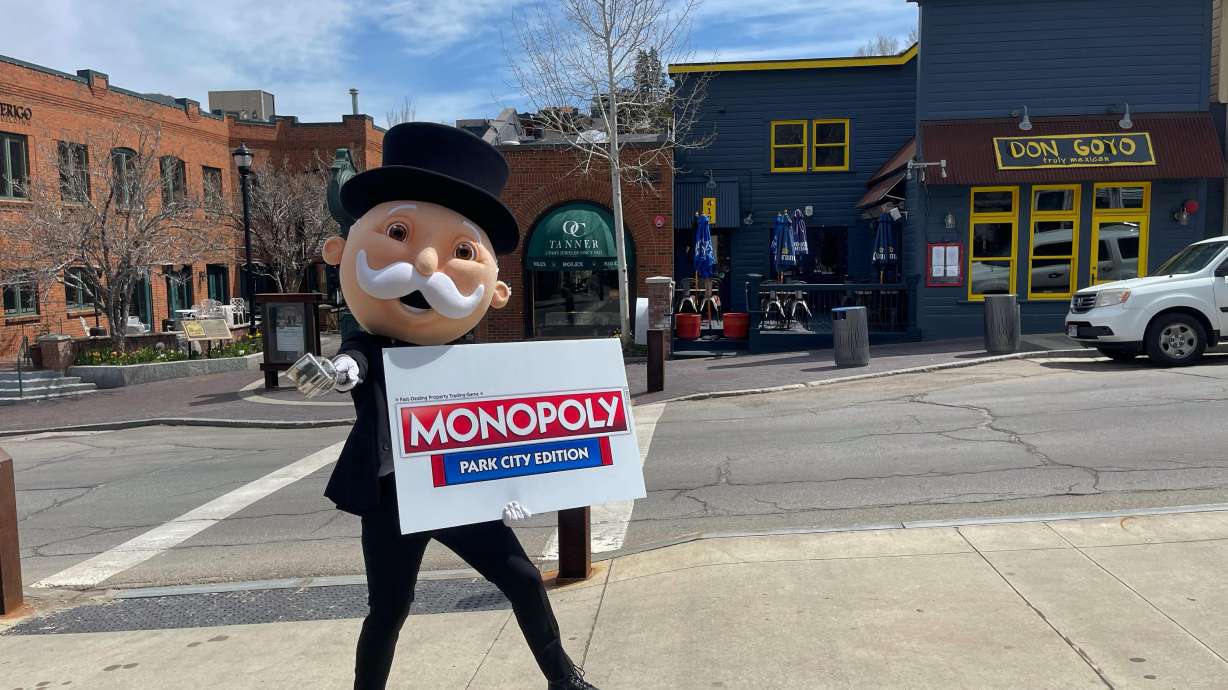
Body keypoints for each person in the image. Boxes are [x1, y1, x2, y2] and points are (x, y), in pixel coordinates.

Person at [317, 122, 598, 690]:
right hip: (393, 499)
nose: (425, 264)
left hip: (454, 490)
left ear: (496, 291)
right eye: (397, 232)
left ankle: (564, 680)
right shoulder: (370, 345)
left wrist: (512, 486)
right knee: (389, 610)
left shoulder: (470, 362)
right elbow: (360, 357)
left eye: (460, 252)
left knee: (521, 577)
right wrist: (345, 369)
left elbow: (501, 431)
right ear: (340, 253)